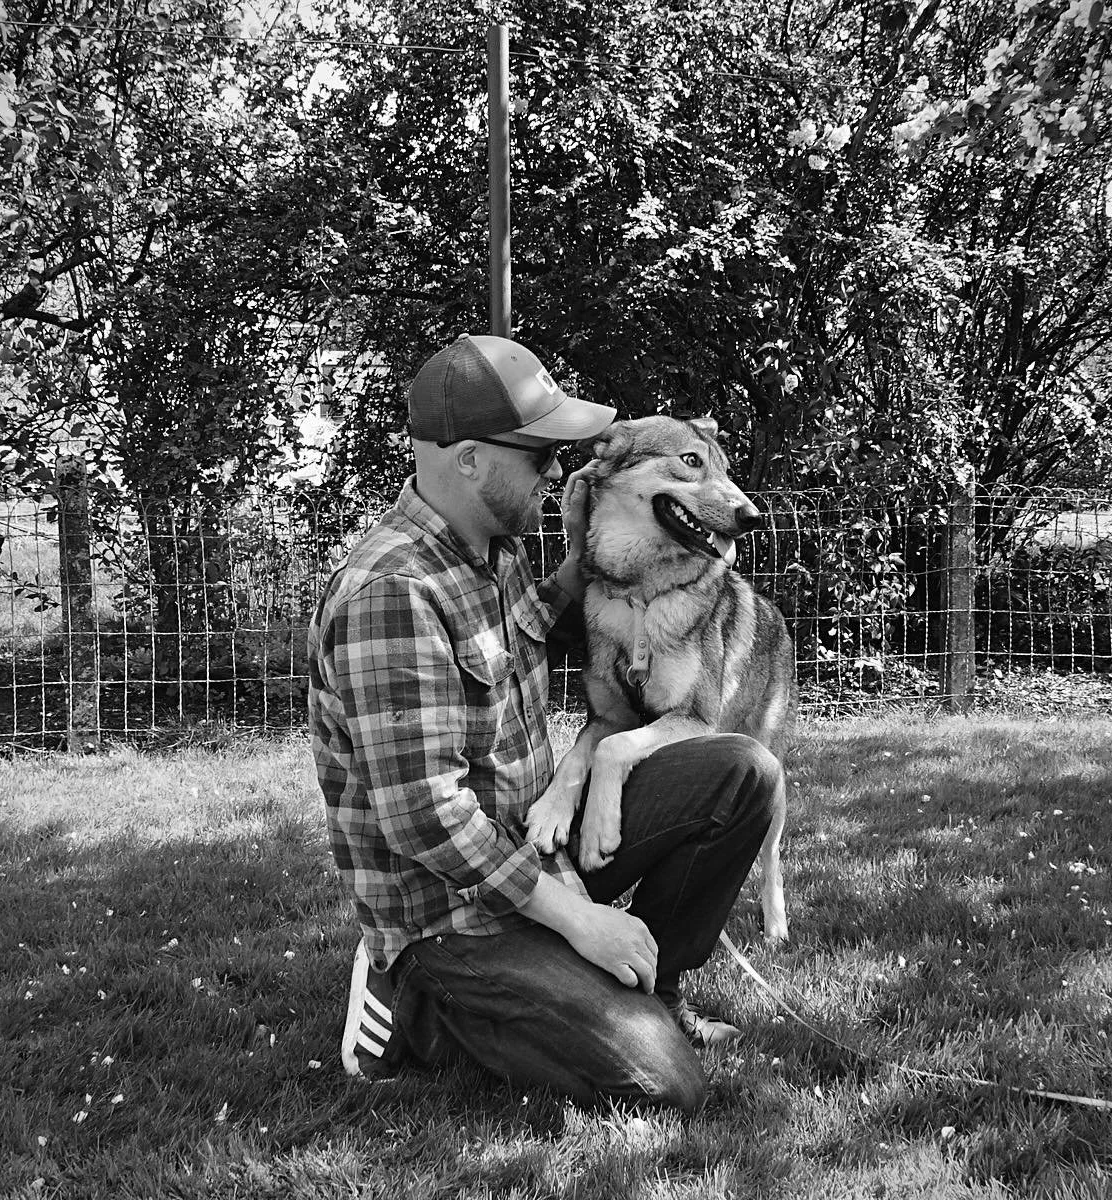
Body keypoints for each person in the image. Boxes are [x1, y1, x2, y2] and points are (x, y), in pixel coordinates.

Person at [307, 332, 781, 1110]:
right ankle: (414, 1003)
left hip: (533, 846)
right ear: (469, 459)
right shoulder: (392, 594)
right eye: (539, 455)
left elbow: (541, 625)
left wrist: (604, 549)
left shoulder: (494, 551)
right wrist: (581, 923)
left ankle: (657, 984)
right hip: (454, 916)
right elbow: (426, 816)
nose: (561, 471)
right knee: (663, 1081)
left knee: (739, 771)